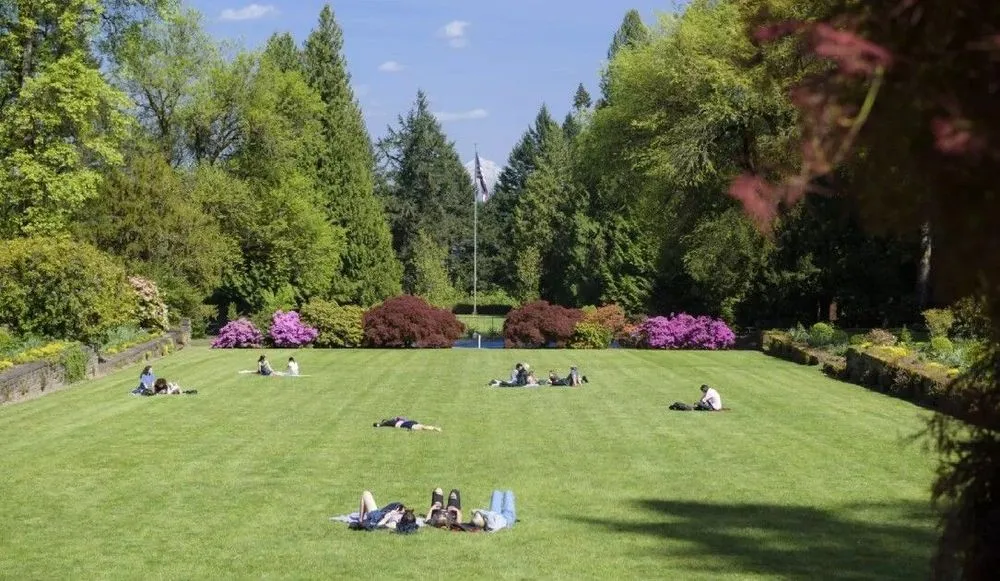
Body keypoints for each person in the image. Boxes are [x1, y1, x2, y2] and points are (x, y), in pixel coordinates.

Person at [373, 416, 443, 431]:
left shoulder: (390, 422)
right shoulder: (396, 419)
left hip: (408, 424)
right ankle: (435, 428)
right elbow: (403, 418)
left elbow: (381, 424)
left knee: (422, 427)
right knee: (423, 427)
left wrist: (378, 425)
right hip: (410, 422)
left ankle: (435, 428)